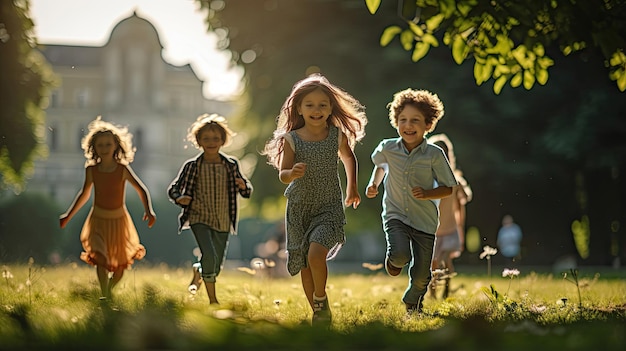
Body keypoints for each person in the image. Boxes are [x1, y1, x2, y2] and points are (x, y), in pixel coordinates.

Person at [262, 73, 367, 325]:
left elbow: (349, 159)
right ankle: (319, 312)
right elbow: (283, 174)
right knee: (304, 265)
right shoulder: (292, 139)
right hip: (299, 209)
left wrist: (352, 188)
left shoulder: (336, 135)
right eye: (310, 105)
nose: (316, 110)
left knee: (315, 254)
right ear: (298, 108)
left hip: (328, 207)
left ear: (331, 108)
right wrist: (292, 172)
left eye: (323, 104)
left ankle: (320, 297)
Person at [365, 88, 457, 315]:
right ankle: (394, 261)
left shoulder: (434, 154)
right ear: (396, 122)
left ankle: (413, 303)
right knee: (400, 255)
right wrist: (373, 184)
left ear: (428, 125)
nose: (408, 125)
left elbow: (448, 188)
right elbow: (380, 166)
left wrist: (427, 194)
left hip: (424, 221)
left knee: (422, 275)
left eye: (415, 120)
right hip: (396, 214)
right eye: (403, 120)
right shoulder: (387, 147)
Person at [60, 116, 156, 300]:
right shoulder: (91, 170)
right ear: (93, 147)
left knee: (120, 267)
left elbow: (141, 189)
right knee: (101, 260)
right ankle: (104, 295)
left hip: (119, 222)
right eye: (100, 145)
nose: (104, 148)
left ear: (116, 146)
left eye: (108, 144)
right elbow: (84, 195)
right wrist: (68, 215)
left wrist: (148, 210)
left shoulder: (122, 169)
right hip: (97, 221)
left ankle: (109, 291)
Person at [168, 113, 253, 305]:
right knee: (209, 255)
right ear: (198, 141)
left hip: (223, 219)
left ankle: (198, 270)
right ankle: (213, 300)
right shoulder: (192, 166)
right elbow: (173, 189)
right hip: (199, 218)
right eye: (206, 139)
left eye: (215, 138)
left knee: (216, 265)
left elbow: (247, 191)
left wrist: (242, 186)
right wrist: (180, 198)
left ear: (223, 140)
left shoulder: (231, 165)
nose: (211, 142)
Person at [427, 134, 473, 299]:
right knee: (433, 262)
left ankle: (446, 287)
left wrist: (461, 191)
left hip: (450, 227)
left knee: (445, 260)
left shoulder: (454, 181)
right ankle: (432, 292)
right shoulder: (429, 180)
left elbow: (464, 199)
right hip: (433, 229)